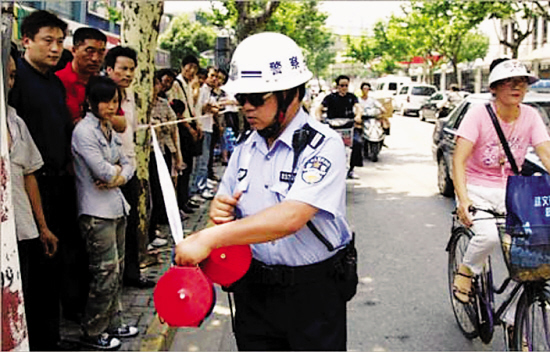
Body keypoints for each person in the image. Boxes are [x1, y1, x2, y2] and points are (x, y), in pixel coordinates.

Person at [174, 32, 353, 351]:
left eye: (257, 98)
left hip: (312, 293)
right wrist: (219, 214)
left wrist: (208, 238)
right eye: (242, 98)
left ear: (291, 94)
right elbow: (224, 204)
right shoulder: (245, 147)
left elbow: (291, 216)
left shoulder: (323, 145)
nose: (246, 107)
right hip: (253, 292)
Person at [452, 58, 550, 337]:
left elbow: (545, 153)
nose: (518, 86)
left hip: (513, 192)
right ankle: (466, 271)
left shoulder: (531, 116)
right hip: (477, 189)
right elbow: (459, 160)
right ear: (495, 88)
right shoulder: (477, 115)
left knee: (533, 254)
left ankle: (511, 314)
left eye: (522, 81)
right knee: (489, 237)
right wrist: (462, 199)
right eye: (510, 81)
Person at [8, 10, 74, 350]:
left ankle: (51, 336)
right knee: (31, 272)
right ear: (26, 40)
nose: (55, 48)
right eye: (47, 40)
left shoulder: (56, 83)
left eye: (60, 42)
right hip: (28, 189)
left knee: (55, 269)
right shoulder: (17, 83)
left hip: (60, 186)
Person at [72, 76, 138, 350]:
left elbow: (128, 163)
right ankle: (92, 330)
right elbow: (102, 170)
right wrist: (116, 173)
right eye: (106, 101)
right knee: (104, 274)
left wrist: (117, 178)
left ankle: (113, 322)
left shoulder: (108, 127)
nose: (112, 107)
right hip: (95, 212)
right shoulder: (84, 132)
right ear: (91, 101)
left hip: (116, 206)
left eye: (115, 101)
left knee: (117, 270)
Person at [7, 42, 60, 351]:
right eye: (5, 75)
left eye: (13, 76)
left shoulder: (16, 122)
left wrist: (42, 227)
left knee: (17, 299)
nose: (9, 82)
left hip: (21, 232)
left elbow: (29, 175)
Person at [104, 46, 155, 288]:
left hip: (130, 168)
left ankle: (131, 274)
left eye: (131, 69)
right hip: (109, 173)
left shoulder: (131, 97)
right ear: (109, 69)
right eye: (123, 69)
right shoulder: (102, 97)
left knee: (132, 222)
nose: (128, 74)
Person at [148, 72, 184, 250]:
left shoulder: (163, 104)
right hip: (146, 155)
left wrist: (178, 156)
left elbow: (173, 125)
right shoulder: (140, 106)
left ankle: (156, 226)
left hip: (163, 150)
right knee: (150, 194)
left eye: (154, 85)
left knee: (161, 190)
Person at [56, 27, 107, 124]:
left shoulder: (103, 84)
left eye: (101, 53)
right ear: (74, 50)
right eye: (90, 51)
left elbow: (121, 124)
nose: (95, 58)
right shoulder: (58, 81)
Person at [316, 75, 362, 179]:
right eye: (342, 85)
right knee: (322, 145)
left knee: (357, 142)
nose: (344, 88)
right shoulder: (330, 97)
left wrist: (358, 116)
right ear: (337, 86)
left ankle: (351, 169)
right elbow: (319, 108)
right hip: (333, 128)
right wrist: (318, 119)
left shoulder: (352, 97)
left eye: (346, 85)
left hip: (348, 128)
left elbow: (358, 107)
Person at [189, 66, 220, 203]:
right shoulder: (201, 90)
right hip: (202, 127)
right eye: (212, 75)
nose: (214, 79)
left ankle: (201, 186)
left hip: (208, 127)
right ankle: (197, 188)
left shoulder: (209, 91)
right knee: (201, 161)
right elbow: (202, 107)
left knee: (205, 160)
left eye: (216, 76)